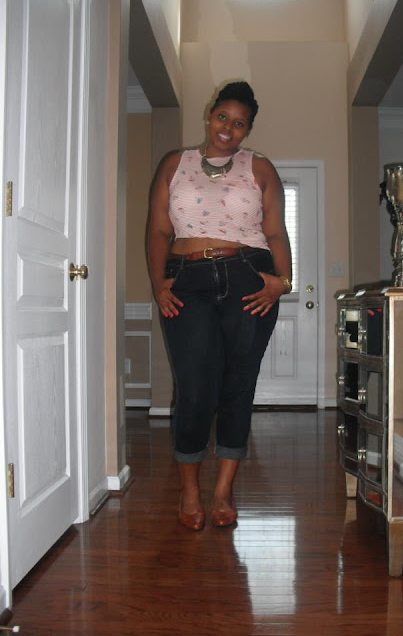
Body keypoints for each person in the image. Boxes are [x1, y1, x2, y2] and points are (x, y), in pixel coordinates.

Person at [147, 81, 292, 531]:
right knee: (194, 388)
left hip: (248, 275)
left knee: (238, 385)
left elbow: (276, 232)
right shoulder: (175, 164)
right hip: (186, 280)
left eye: (240, 123)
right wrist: (158, 283)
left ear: (248, 130)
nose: (229, 128)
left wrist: (284, 281)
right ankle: (190, 490)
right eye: (223, 116)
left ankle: (224, 490)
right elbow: (158, 230)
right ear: (210, 114)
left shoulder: (260, 168)